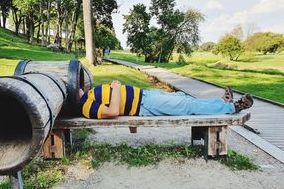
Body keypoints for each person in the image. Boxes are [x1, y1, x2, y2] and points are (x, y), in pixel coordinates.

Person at [78, 81, 253, 119]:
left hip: (146, 94)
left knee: (184, 98)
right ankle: (233, 108)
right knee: (187, 105)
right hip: (145, 105)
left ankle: (221, 103)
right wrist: (115, 89)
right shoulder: (86, 106)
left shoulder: (88, 94)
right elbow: (113, 111)